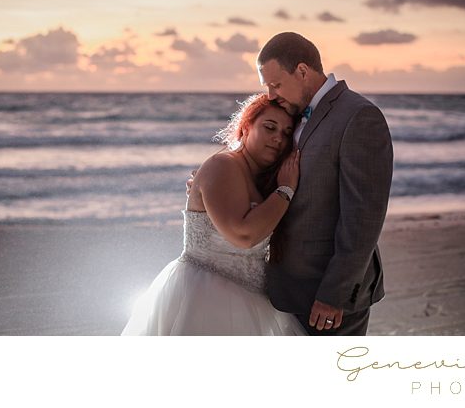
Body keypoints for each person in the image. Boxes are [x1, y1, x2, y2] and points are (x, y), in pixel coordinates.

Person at [123, 94, 305, 335]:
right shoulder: (223, 165)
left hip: (255, 301)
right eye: (269, 127)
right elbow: (243, 236)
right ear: (246, 127)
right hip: (204, 296)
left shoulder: (258, 179)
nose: (277, 138)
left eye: (286, 133)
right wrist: (286, 189)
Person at [256, 32, 393, 336]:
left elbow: (363, 218)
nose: (269, 95)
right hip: (288, 287)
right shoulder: (290, 114)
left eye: (275, 84)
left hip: (328, 295)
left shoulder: (359, 116)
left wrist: (335, 294)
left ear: (302, 71)